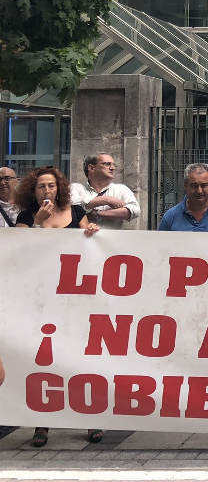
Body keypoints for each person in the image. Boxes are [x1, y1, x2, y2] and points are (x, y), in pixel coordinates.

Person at [14, 166, 100, 447]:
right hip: (41, 301)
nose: (47, 191)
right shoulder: (27, 217)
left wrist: (93, 233)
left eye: (51, 186)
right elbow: (18, 251)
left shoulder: (75, 213)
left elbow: (91, 239)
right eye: (41, 187)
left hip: (76, 299)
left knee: (80, 358)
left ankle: (90, 419)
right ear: (32, 191)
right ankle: (42, 423)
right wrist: (39, 224)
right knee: (44, 361)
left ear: (59, 188)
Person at [70, 153, 140, 229]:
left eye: (114, 165)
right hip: (83, 239)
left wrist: (98, 214)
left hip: (112, 239)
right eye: (107, 164)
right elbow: (73, 206)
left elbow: (135, 210)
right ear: (91, 168)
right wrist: (106, 200)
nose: (112, 168)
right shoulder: (76, 188)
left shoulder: (121, 189)